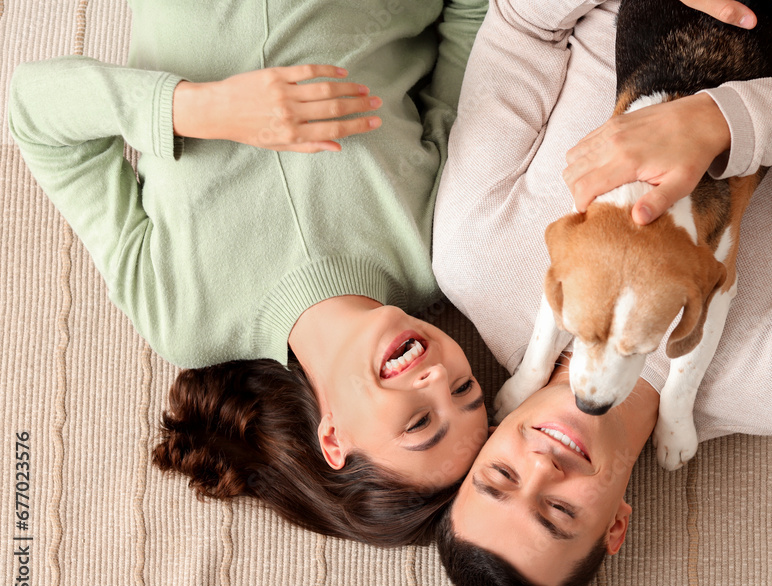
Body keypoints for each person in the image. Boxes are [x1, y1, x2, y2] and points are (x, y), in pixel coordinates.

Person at [431, 0, 772, 586]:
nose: (541, 466)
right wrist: (727, 124)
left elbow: (520, 22)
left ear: (482, 447)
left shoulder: (470, 256)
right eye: (559, 511)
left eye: (498, 477)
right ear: (616, 528)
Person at [7, 0, 489, 547]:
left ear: (334, 440)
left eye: (419, 422)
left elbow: (33, 110)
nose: (436, 382)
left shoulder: (186, 316)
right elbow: (469, 27)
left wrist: (202, 109)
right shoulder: (439, 251)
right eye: (464, 387)